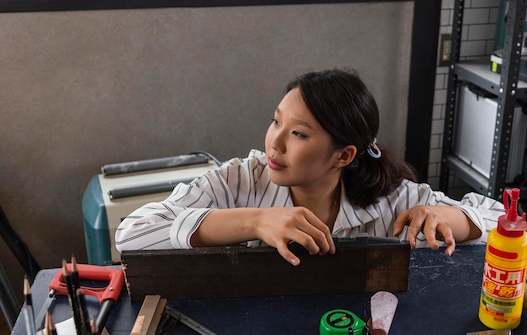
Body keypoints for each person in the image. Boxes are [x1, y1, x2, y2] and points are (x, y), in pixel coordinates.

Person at [115, 68, 504, 266]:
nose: (275, 143)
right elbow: (132, 234)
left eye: (299, 134)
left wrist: (442, 216)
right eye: (275, 121)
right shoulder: (240, 179)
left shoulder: (393, 196)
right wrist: (254, 222)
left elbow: (504, 221)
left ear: (344, 156)